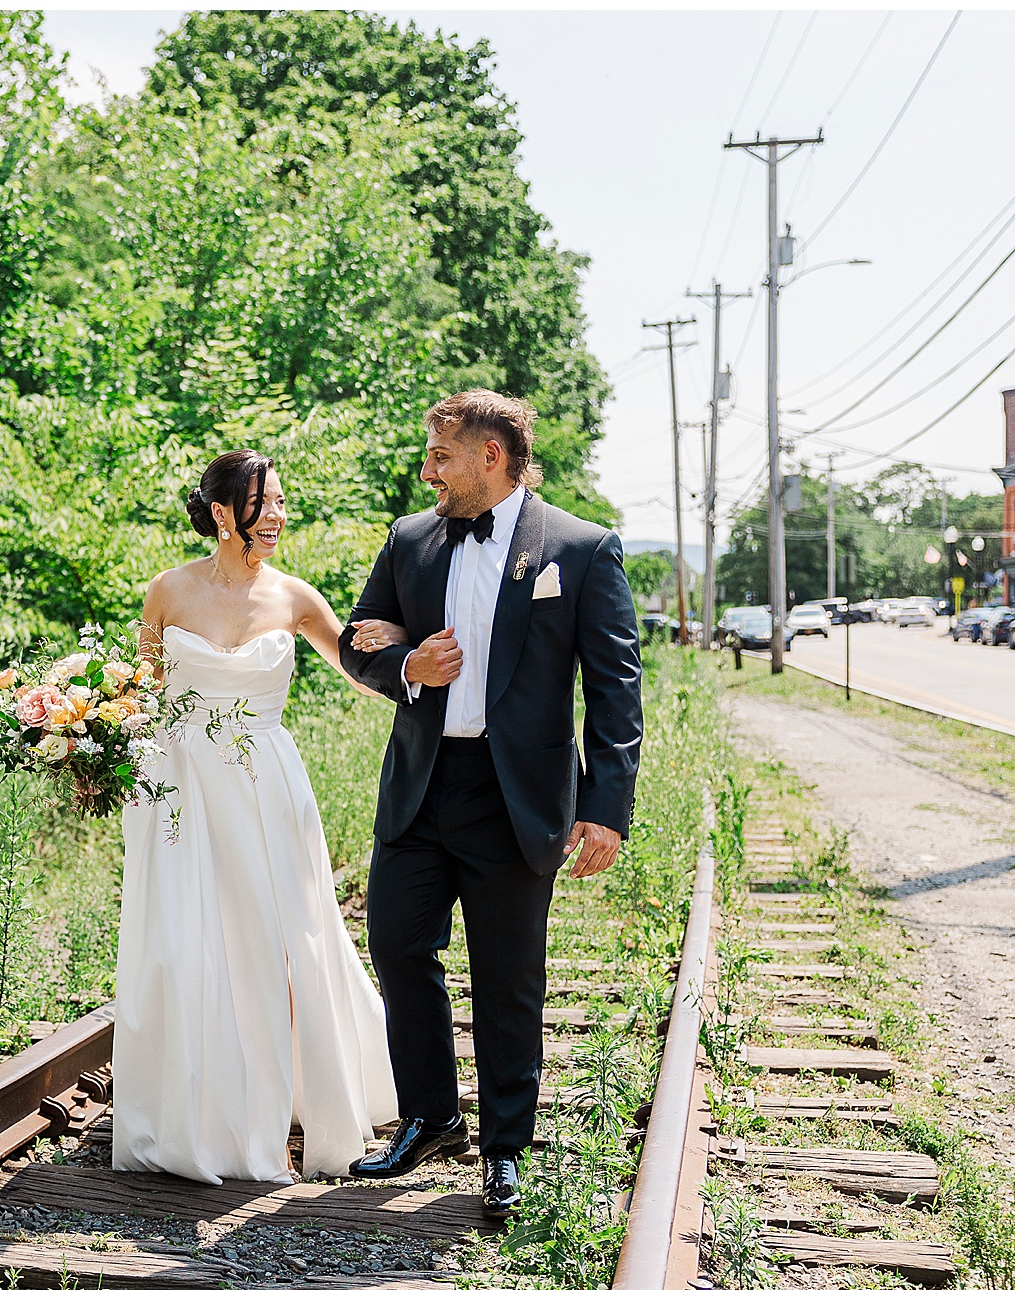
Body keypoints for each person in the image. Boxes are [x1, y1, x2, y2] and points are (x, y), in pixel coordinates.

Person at [338, 389, 643, 1211]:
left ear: (490, 457)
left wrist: (607, 804)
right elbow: (355, 640)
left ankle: (506, 1148)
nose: (427, 470)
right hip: (422, 786)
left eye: (440, 455)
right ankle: (432, 1114)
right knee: (398, 944)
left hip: (520, 796)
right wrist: (406, 667)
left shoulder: (581, 549)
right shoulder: (409, 540)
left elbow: (616, 688)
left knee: (509, 978)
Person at [111, 449, 402, 1184]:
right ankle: (198, 1116)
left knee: (280, 941)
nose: (276, 515)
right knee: (187, 943)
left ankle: (296, 1105)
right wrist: (90, 743)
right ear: (220, 514)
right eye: (262, 503)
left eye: (279, 502)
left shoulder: (297, 597)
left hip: (264, 784)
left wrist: (412, 664)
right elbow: (138, 696)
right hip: (180, 786)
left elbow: (361, 673)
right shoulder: (167, 592)